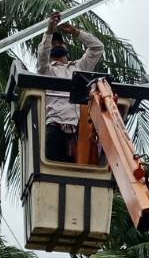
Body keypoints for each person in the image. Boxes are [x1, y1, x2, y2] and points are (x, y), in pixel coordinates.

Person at [36, 13, 104, 162]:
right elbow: (42, 55)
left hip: (79, 132)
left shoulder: (78, 67)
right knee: (53, 172)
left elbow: (97, 48)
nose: (57, 44)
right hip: (55, 130)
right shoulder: (46, 70)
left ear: (66, 46)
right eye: (54, 43)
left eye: (60, 42)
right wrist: (49, 32)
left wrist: (75, 32)